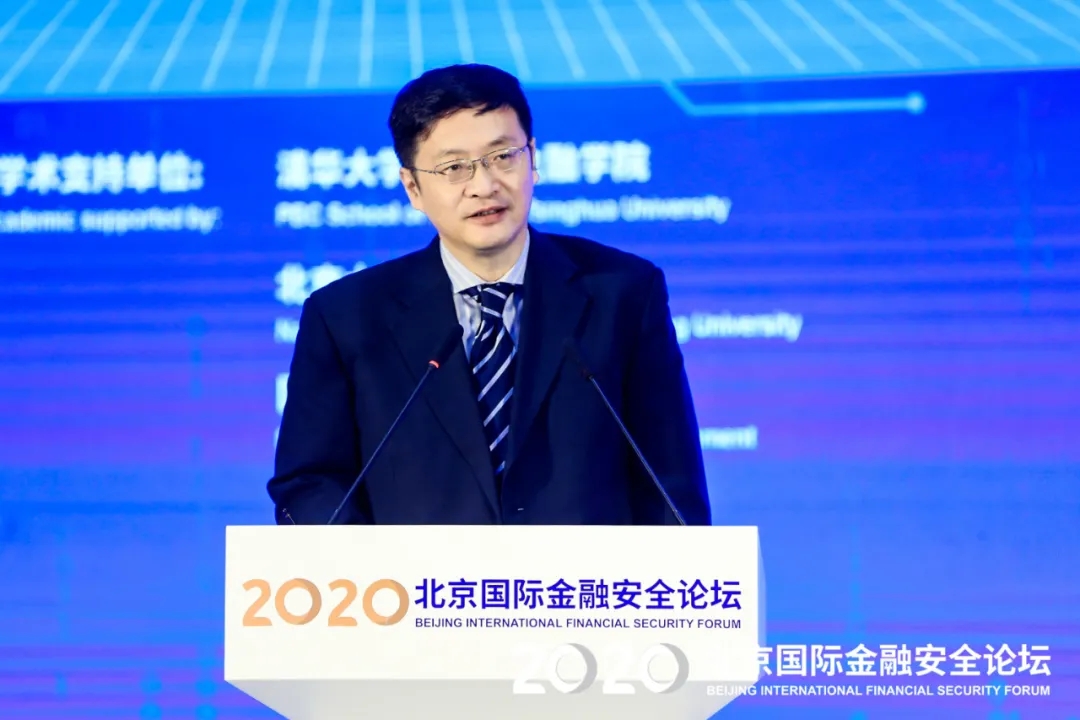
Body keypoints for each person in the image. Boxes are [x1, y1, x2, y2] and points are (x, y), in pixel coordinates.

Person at [268, 63, 710, 526]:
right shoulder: (346, 318)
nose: (484, 186)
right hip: (415, 575)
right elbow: (310, 485)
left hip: (586, 574)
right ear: (413, 187)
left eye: (503, 156)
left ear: (532, 159)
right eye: (454, 167)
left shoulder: (623, 293)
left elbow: (670, 483)